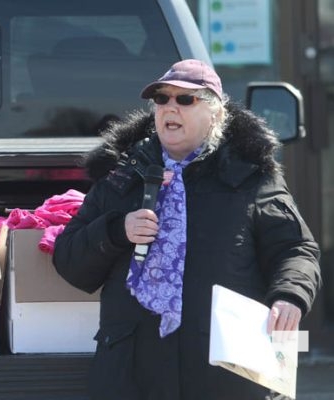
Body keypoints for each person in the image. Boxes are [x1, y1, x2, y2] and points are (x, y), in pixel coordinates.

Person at [52, 59, 321, 400]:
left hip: (226, 374)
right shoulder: (123, 177)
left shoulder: (250, 177)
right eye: (161, 99)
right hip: (134, 373)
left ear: (216, 113)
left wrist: (290, 296)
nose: (169, 108)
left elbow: (295, 249)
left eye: (185, 99)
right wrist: (118, 231)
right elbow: (69, 261)